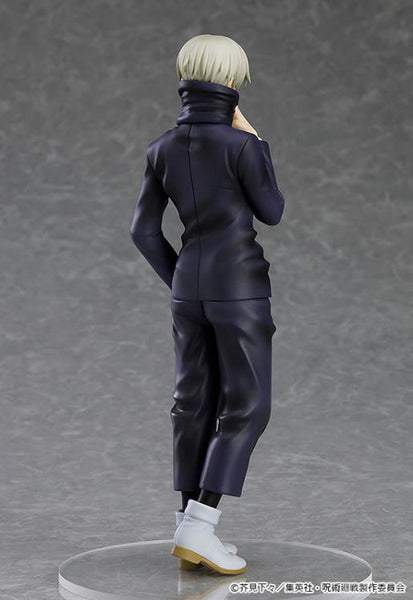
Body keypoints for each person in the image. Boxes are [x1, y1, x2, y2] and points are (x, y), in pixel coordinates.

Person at [129, 33, 285, 574]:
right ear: (233, 81)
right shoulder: (241, 146)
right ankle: (200, 525)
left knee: (192, 404)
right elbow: (272, 210)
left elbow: (143, 231)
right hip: (238, 289)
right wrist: (258, 141)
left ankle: (185, 524)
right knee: (247, 405)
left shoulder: (161, 147)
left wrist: (181, 281)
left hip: (187, 290)